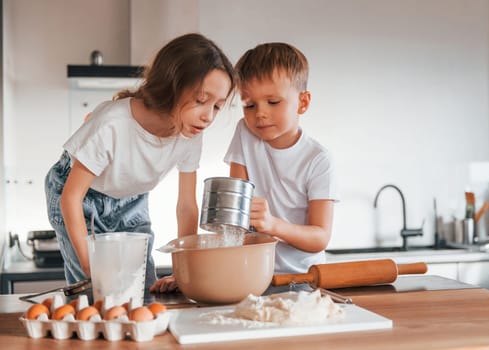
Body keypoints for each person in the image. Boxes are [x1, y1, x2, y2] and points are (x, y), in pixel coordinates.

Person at [45, 33, 235, 296]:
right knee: (97, 293)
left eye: (217, 106)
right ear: (171, 85)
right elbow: (71, 199)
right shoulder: (113, 122)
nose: (208, 116)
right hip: (81, 199)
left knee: (142, 290)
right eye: (201, 100)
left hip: (131, 200)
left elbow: (187, 206)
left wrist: (183, 271)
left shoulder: (190, 133)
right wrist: (92, 271)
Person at [224, 42, 338, 275]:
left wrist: (273, 225)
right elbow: (234, 213)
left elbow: (320, 237)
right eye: (249, 105)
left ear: (303, 103)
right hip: (253, 276)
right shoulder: (245, 133)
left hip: (303, 279)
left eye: (273, 102)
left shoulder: (318, 159)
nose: (260, 114)